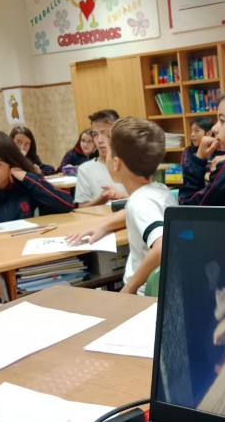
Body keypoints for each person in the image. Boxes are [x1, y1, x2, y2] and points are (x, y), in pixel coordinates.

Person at [0, 130, 75, 317]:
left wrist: (27, 177)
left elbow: (66, 204)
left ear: (11, 161)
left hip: (28, 259)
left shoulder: (24, 182)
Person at [66, 117, 176, 294]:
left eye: (108, 153)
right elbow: (131, 213)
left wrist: (128, 289)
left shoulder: (141, 202)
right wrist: (103, 226)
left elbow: (162, 246)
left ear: (116, 163)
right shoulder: (157, 190)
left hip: (143, 296)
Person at [74, 109, 127, 207]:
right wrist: (102, 198)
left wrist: (122, 196)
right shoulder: (85, 169)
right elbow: (82, 207)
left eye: (105, 133)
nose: (99, 140)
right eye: (95, 135)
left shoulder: (131, 163)